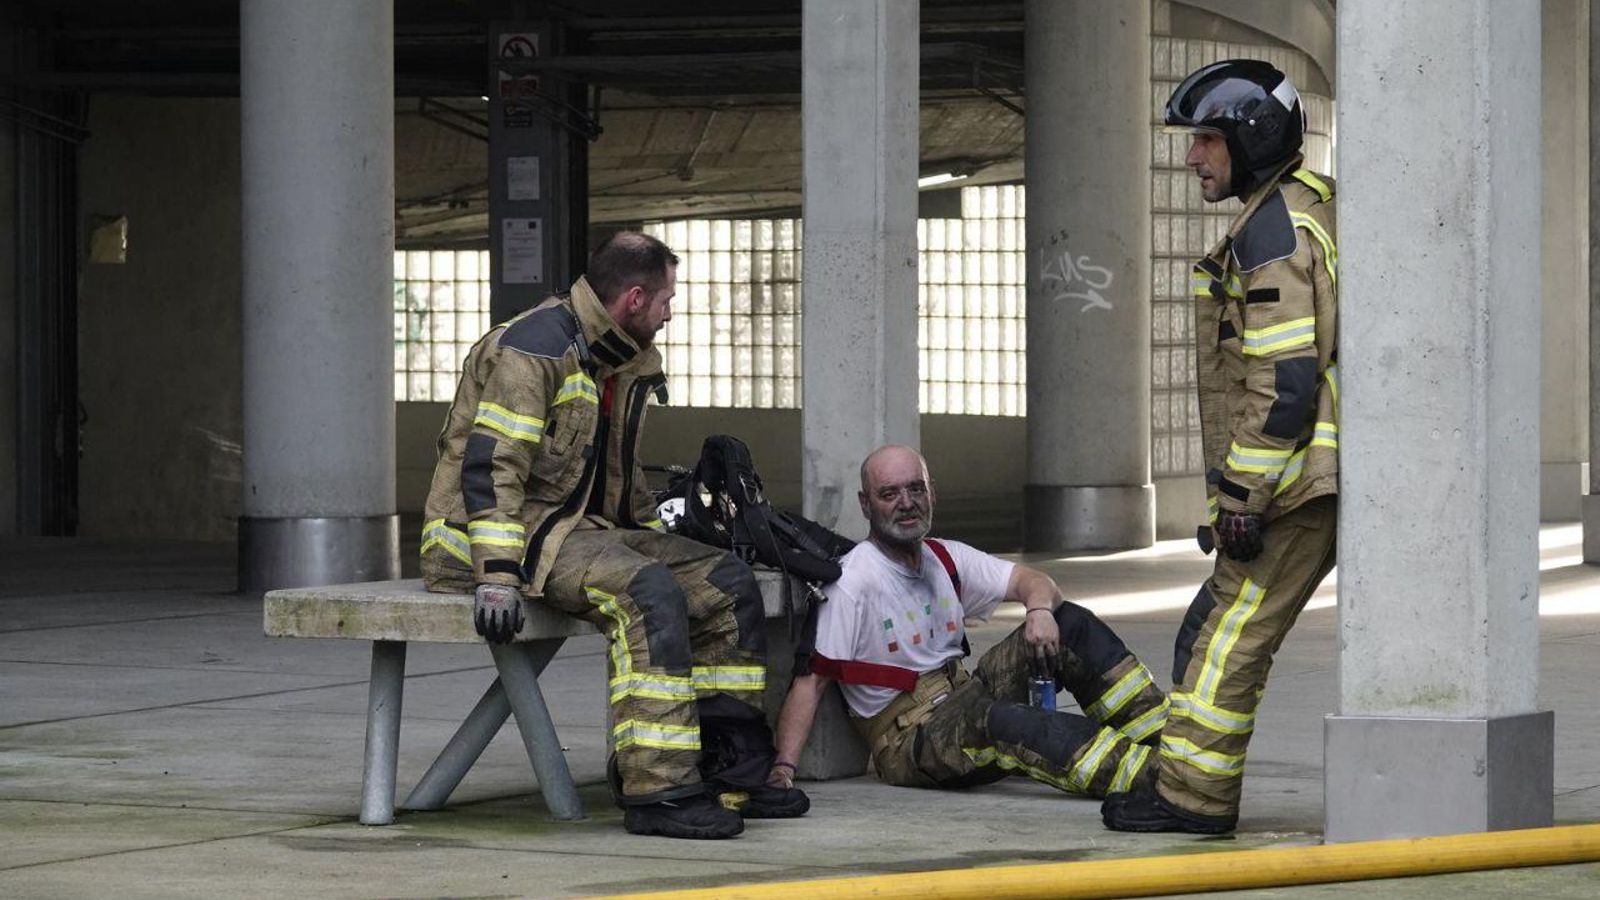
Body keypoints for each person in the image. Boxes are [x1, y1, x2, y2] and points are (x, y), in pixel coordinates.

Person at [419, 232, 806, 840]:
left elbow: (618, 477)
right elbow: (492, 469)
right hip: (500, 541)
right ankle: (660, 793)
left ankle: (726, 768)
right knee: (646, 593)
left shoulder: (623, 358)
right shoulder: (532, 351)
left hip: (581, 532)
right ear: (633, 298)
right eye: (666, 300)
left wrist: (661, 540)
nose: (671, 312)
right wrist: (495, 575)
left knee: (726, 583)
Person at [1102, 60, 1338, 835]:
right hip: (1300, 481)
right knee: (1210, 629)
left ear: (1251, 137)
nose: (1192, 156)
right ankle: (1179, 785)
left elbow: (1285, 387)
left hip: (1292, 487)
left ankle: (1190, 802)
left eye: (1206, 139)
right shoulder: (1303, 211)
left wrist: (1241, 499)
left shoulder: (1271, 236)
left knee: (1228, 642)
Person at [768, 444, 1168, 798]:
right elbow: (812, 681)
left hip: (966, 693)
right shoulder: (854, 581)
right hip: (912, 739)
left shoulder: (945, 557)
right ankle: (1153, 779)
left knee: (1069, 623)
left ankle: (1167, 742)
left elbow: (1035, 582)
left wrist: (1040, 611)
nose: (906, 502)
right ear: (866, 504)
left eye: (915, 488)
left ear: (931, 492)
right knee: (1008, 722)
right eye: (889, 494)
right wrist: (783, 769)